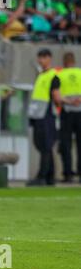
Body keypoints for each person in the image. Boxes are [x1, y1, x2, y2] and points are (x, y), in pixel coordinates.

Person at [27, 48, 61, 186]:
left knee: (45, 147)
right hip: (38, 115)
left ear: (49, 58)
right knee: (43, 146)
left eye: (43, 57)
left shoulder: (53, 76)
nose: (40, 60)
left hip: (46, 115)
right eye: (39, 57)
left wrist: (66, 102)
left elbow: (56, 97)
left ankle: (41, 177)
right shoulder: (40, 75)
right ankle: (50, 178)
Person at [57, 52, 81, 183]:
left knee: (66, 144)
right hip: (80, 110)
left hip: (67, 110)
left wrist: (70, 102)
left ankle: (68, 174)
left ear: (64, 62)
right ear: (74, 61)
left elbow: (58, 94)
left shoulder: (60, 74)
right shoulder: (80, 73)